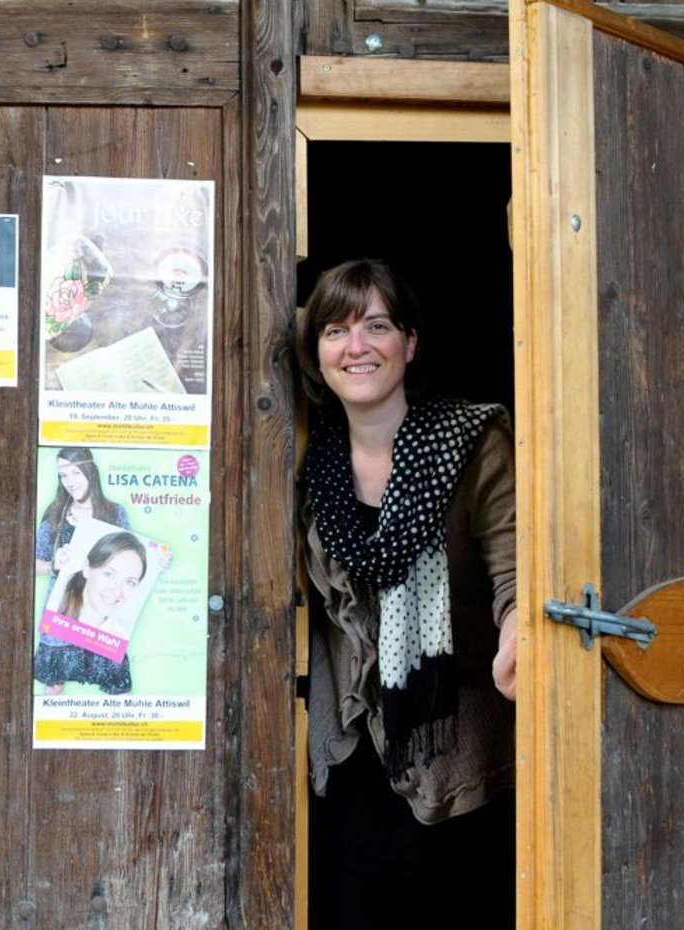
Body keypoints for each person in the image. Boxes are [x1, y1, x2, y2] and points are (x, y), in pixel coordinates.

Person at [295, 258, 518, 929]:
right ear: (317, 354)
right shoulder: (309, 465)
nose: (355, 346)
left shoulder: (471, 442)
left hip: (463, 760)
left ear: (410, 342)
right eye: (335, 331)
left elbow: (515, 565)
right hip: (355, 772)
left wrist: (518, 631)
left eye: (377, 326)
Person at [33, 447, 132, 695]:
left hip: (101, 616)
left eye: (75, 472)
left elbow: (130, 559)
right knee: (53, 688)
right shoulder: (55, 515)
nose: (69, 481)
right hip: (63, 612)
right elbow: (33, 563)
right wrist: (54, 564)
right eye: (63, 475)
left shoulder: (115, 513)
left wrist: (155, 560)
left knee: (117, 689)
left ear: (90, 471)